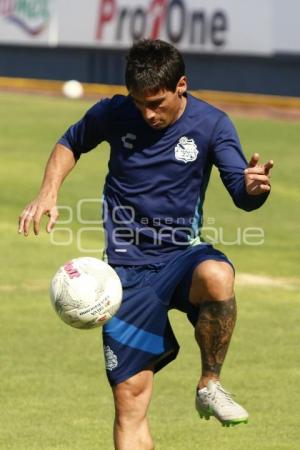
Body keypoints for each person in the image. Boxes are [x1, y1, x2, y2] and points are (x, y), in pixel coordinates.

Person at [18, 39, 273, 450]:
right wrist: (48, 192)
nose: (148, 113)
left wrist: (253, 188)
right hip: (124, 274)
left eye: (157, 102)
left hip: (180, 256)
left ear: (182, 86)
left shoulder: (212, 124)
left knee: (217, 274)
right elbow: (70, 142)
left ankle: (210, 383)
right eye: (140, 104)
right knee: (130, 402)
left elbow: (242, 196)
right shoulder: (114, 113)